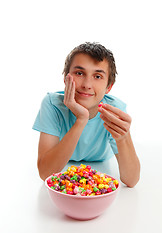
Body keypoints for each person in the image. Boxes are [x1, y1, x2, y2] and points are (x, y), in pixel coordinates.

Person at [32, 42, 140, 187]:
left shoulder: (114, 110)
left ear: (109, 87)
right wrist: (81, 119)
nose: (87, 84)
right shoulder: (52, 104)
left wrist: (123, 138)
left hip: (101, 163)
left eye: (97, 76)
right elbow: (46, 173)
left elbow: (131, 181)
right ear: (66, 79)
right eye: (80, 73)